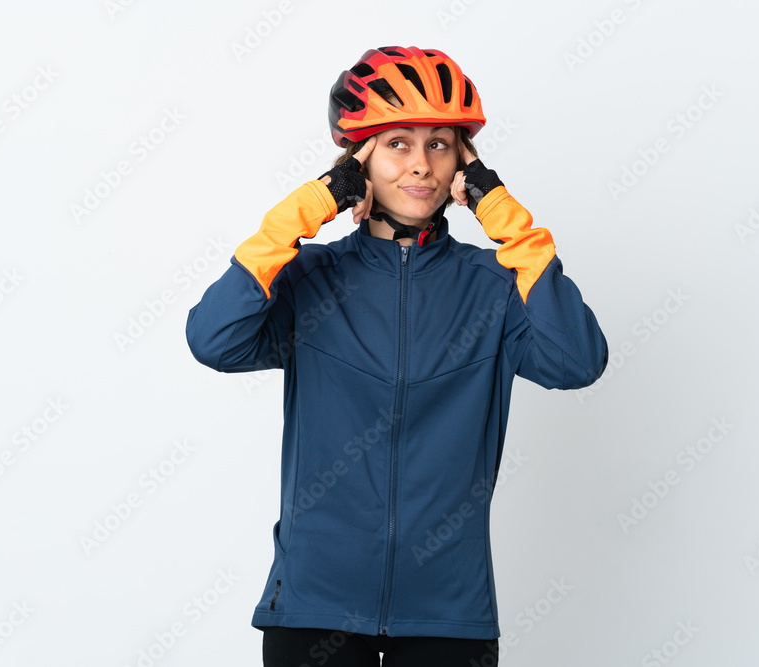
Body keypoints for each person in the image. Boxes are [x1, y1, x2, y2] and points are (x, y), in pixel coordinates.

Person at [186, 45, 608, 666]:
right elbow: (213, 339)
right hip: (315, 605)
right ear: (359, 161)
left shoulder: (495, 288)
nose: (421, 166)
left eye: (439, 144)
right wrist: (308, 208)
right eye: (397, 144)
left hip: (448, 613)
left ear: (465, 162)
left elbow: (577, 361)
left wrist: (507, 220)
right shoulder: (310, 280)